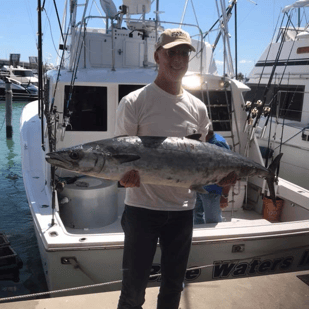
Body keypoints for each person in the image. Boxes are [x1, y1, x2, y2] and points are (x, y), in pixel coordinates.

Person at [114, 28, 233, 309]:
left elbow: (204, 158)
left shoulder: (198, 108)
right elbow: (120, 159)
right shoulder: (134, 102)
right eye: (171, 52)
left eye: (184, 53)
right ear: (157, 56)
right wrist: (124, 180)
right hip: (141, 211)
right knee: (133, 291)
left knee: (173, 287)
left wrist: (223, 179)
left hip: (182, 211)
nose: (178, 59)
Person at [194, 131, 236, 224]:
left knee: (212, 222)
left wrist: (224, 196)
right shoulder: (204, 140)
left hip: (212, 192)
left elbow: (229, 171)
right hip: (199, 188)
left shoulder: (217, 143)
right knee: (196, 219)